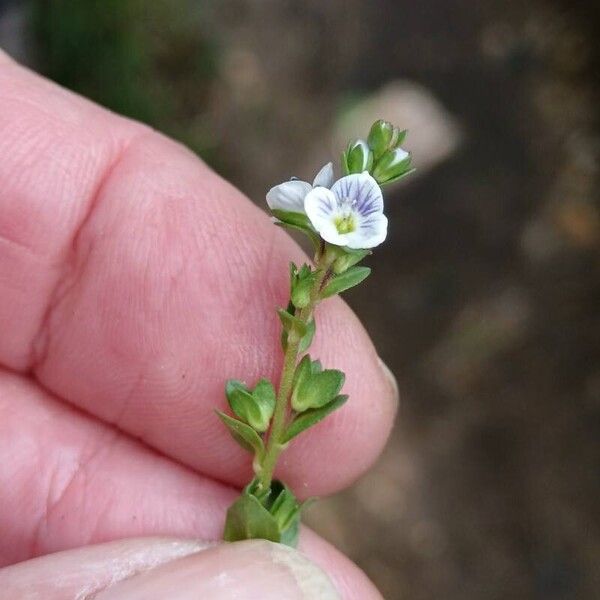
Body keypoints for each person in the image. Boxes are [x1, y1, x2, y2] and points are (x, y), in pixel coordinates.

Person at [0, 49, 398, 599]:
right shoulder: (332, 223)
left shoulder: (349, 225)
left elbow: (353, 219)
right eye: (341, 216)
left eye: (350, 221)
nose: (346, 219)